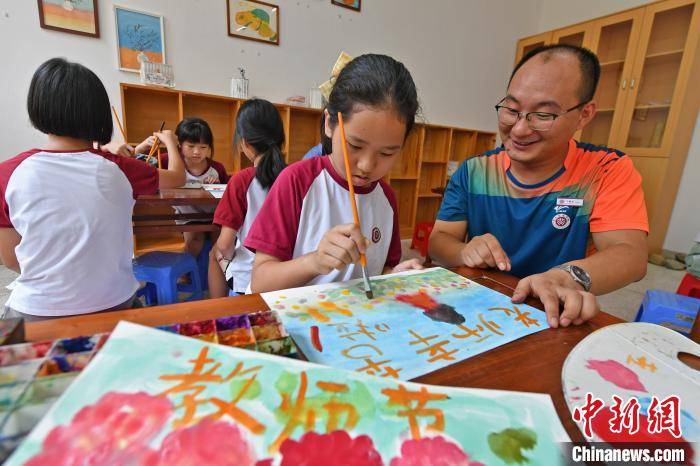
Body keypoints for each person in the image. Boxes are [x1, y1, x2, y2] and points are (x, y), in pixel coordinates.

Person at [429, 44, 648, 328]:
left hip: (555, 315)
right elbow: (439, 241)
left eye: (543, 115)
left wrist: (564, 277)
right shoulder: (474, 171)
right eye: (511, 109)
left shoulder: (605, 169)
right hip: (478, 308)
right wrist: (464, 251)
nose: (519, 129)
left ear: (584, 115)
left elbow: (631, 255)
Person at [0, 58, 185, 320]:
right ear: (99, 114)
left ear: (37, 107)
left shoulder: (7, 174)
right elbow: (177, 177)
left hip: (37, 310)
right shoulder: (121, 168)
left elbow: (10, 260)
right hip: (115, 302)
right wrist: (170, 143)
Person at [245, 54, 423, 293]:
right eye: (355, 146)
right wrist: (315, 261)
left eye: (387, 153)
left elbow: (378, 271)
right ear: (329, 123)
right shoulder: (297, 181)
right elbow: (260, 282)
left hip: (354, 325)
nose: (367, 165)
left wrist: (395, 276)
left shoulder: (386, 199)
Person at [208, 99, 286, 297]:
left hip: (248, 281)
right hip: (286, 275)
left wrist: (228, 257)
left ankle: (221, 312)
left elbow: (225, 245)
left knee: (214, 253)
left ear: (245, 143)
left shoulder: (242, 180)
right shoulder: (294, 177)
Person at [135, 118, 228, 258]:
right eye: (191, 146)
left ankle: (218, 272)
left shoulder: (217, 168)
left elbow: (228, 194)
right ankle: (185, 273)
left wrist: (218, 186)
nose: (197, 152)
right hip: (188, 216)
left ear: (210, 147)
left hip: (214, 216)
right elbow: (138, 166)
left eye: (203, 147)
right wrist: (139, 148)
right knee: (195, 241)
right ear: (179, 145)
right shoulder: (168, 160)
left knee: (220, 241)